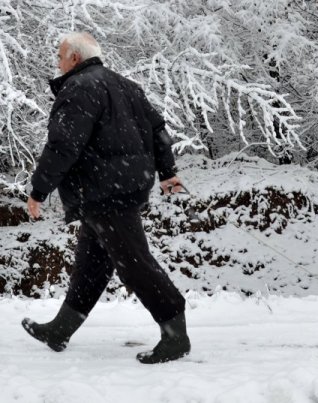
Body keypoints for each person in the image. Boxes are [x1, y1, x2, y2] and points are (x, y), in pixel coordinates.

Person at [22, 32, 190, 364]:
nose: (57, 62)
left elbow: (63, 145)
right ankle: (61, 329)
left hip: (103, 191)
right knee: (92, 265)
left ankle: (175, 335)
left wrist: (39, 190)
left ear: (74, 57)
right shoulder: (125, 85)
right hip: (119, 188)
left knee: (134, 263)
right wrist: (167, 171)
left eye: (60, 56)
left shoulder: (79, 88)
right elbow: (158, 130)